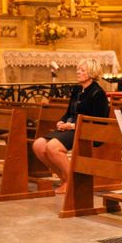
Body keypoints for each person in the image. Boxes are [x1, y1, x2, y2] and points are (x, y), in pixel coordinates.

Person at [32, 58, 109, 194]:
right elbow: (69, 112)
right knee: (38, 145)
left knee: (52, 148)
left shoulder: (98, 94)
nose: (78, 72)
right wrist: (61, 121)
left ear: (91, 73)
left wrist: (73, 126)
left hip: (86, 131)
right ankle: (64, 178)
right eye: (78, 69)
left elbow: (99, 122)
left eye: (82, 70)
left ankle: (72, 181)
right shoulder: (77, 89)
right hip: (71, 128)